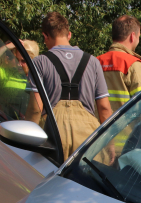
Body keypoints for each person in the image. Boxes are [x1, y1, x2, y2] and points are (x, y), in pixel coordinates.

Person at [31, 12, 112, 159]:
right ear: (69, 35)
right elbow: (104, 108)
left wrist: (27, 138)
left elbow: (36, 108)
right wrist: (110, 142)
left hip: (53, 133)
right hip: (87, 135)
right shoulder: (93, 62)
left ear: (45, 36)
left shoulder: (39, 62)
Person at [97, 15, 141, 112]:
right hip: (124, 126)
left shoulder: (95, 62)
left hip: (97, 126)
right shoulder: (134, 64)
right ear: (133, 36)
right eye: (139, 36)